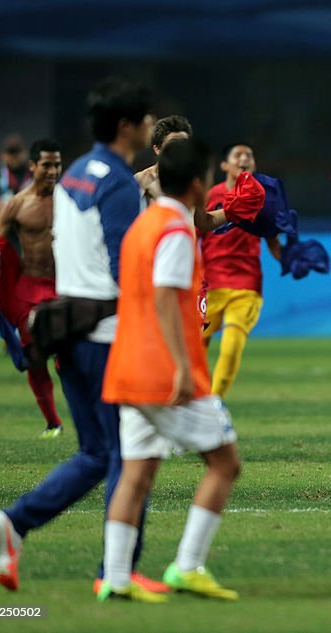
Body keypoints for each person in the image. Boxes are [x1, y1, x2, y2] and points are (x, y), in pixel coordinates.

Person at [0, 78, 166, 595]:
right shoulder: (119, 184)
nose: (151, 126)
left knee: (96, 453)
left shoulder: (77, 174)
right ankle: (116, 572)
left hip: (68, 330)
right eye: (147, 119)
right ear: (128, 126)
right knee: (130, 457)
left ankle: (14, 524)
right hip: (110, 333)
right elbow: (126, 262)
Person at [99, 138, 241, 603]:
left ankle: (116, 579)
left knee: (136, 474)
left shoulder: (145, 223)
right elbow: (165, 296)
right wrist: (182, 367)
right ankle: (187, 565)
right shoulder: (177, 232)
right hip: (164, 373)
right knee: (224, 463)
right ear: (200, 185)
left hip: (127, 366)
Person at [0, 139, 66, 437]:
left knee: (72, 357)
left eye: (57, 164)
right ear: (33, 166)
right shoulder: (17, 204)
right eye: (46, 165)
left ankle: (86, 415)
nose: (53, 170)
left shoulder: (71, 200)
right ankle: (53, 422)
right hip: (30, 289)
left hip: (66, 286)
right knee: (36, 358)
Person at [200, 143, 281, 397]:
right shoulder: (208, 195)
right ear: (225, 165)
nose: (244, 158)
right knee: (194, 345)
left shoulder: (264, 200)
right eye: (238, 155)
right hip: (209, 284)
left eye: (249, 155)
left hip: (246, 285)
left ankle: (213, 404)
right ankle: (192, 399)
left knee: (232, 344)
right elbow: (194, 233)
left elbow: (273, 241)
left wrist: (290, 261)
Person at [134, 115, 193, 205]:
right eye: (173, 144)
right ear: (157, 149)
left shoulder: (192, 182)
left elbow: (198, 218)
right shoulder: (140, 180)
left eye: (184, 142)